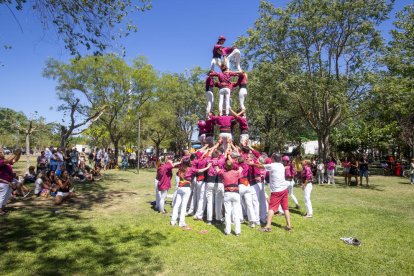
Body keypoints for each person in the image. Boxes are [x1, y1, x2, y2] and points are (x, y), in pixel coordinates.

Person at [251, 153, 292, 232]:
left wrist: (252, 163)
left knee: (271, 208)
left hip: (276, 191)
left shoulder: (272, 165)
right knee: (285, 208)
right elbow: (263, 165)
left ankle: (268, 226)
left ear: (273, 158)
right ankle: (289, 225)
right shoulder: (280, 165)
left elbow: (260, 166)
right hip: (284, 189)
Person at [170, 158, 210, 227]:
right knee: (183, 205)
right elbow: (200, 170)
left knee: (177, 204)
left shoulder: (180, 168)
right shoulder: (190, 169)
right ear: (188, 163)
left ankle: (173, 221)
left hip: (180, 187)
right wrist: (208, 167)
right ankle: (181, 222)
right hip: (186, 187)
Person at [216, 151, 244, 236]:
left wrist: (221, 159)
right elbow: (241, 168)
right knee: (236, 212)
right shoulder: (236, 173)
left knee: (227, 212)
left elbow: (217, 169)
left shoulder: (223, 173)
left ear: (225, 166)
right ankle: (237, 231)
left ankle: (227, 230)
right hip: (235, 193)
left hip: (227, 193)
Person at [0, 149, 21, 215]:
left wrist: (18, 154)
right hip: (3, 182)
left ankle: (2, 208)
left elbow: (15, 160)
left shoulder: (5, 161)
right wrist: (15, 153)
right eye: (1, 152)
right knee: (2, 196)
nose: (3, 153)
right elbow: (7, 161)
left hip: (9, 181)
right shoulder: (1, 161)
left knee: (7, 196)